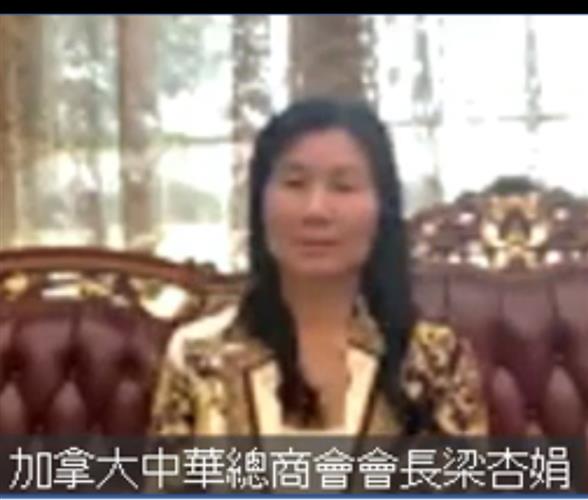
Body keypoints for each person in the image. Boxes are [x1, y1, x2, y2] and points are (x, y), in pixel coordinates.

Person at [149, 97, 487, 460]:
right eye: (295, 183)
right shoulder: (198, 354)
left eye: (343, 187)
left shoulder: (435, 360)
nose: (316, 210)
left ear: (382, 209)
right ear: (260, 203)